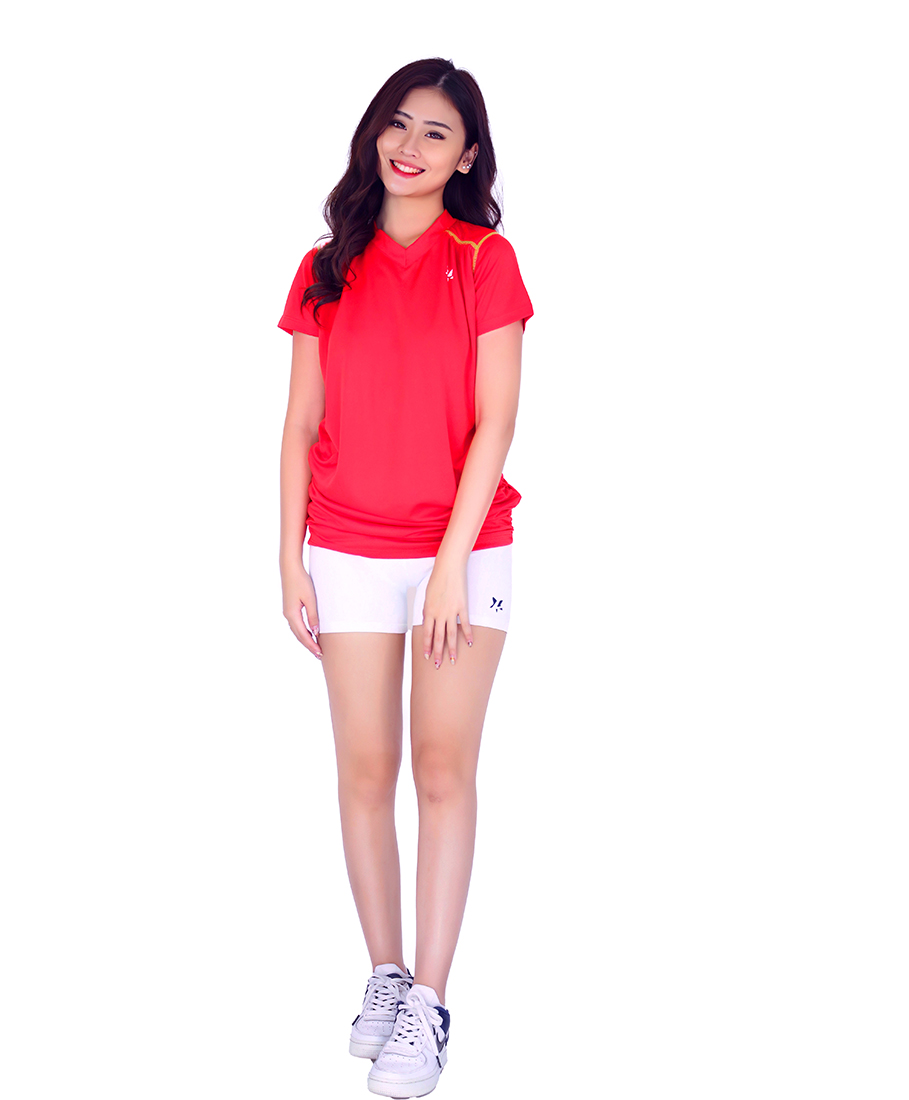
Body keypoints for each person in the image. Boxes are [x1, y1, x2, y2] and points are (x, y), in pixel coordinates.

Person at [277, 57, 533, 1099]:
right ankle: (383, 974)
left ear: (466, 157)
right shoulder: (325, 266)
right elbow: (299, 424)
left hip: (461, 551)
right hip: (344, 547)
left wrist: (449, 566)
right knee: (362, 770)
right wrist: (287, 555)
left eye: (436, 132)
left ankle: (430, 1000)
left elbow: (495, 422)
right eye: (398, 122)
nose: (410, 145)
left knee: (440, 769)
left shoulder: (485, 260)